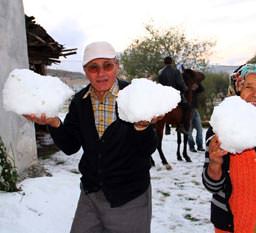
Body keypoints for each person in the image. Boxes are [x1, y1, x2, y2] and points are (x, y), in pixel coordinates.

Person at [24, 41, 163, 233]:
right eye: (93, 67)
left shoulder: (134, 96)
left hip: (128, 196)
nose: (101, 73)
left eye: (107, 65)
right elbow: (71, 145)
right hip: (91, 194)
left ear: (117, 66)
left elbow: (146, 149)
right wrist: (54, 122)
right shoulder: (80, 102)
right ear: (85, 71)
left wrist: (141, 127)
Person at [202, 63, 256, 233]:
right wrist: (215, 163)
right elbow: (211, 185)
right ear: (236, 90)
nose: (255, 94)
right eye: (248, 86)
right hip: (233, 223)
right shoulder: (220, 129)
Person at [157, 56, 189, 134]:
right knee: (186, 106)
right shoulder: (176, 71)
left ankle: (167, 125)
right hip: (174, 95)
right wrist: (185, 88)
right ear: (171, 62)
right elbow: (180, 83)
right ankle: (181, 125)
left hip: (163, 95)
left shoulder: (160, 72)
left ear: (164, 63)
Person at [188, 71, 205, 152]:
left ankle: (200, 146)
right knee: (189, 130)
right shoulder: (186, 85)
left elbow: (202, 89)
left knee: (200, 129)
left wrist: (197, 84)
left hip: (195, 109)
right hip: (188, 110)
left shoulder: (195, 84)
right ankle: (191, 146)